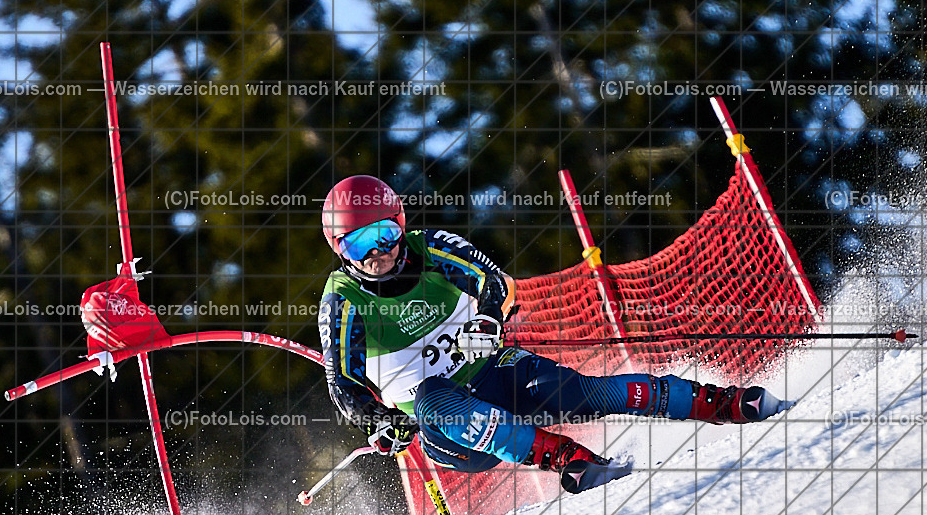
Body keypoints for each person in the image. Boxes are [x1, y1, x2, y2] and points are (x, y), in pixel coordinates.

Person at [317, 175, 793, 493]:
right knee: (432, 396)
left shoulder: (431, 250)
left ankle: (725, 403)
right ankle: (567, 458)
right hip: (451, 432)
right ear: (340, 250)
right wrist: (381, 420)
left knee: (588, 393)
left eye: (383, 235)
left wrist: (486, 320)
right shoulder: (344, 301)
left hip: (494, 374)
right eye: (359, 243)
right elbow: (343, 384)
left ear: (400, 226)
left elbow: (493, 281)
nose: (377, 252)